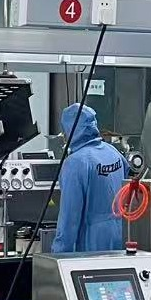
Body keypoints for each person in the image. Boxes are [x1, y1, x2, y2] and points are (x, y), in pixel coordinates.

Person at [52, 103, 128, 253]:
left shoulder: (75, 163)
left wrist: (58, 254)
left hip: (93, 241)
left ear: (70, 129)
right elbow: (126, 181)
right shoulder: (112, 151)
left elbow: (70, 217)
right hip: (120, 235)